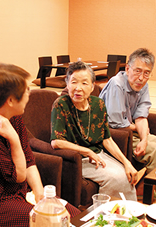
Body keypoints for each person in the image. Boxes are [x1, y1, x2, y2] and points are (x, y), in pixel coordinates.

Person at [0, 63, 80, 227]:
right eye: (26, 90)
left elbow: (28, 158)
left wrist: (40, 193)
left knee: (74, 216)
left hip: (21, 194)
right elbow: (19, 175)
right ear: (11, 100)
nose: (29, 93)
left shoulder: (13, 117)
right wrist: (14, 139)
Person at [51, 61, 137, 201]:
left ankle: (126, 216)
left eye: (84, 83)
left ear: (92, 87)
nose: (78, 88)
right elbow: (56, 142)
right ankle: (101, 215)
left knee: (126, 175)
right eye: (74, 82)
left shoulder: (98, 104)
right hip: (78, 160)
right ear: (67, 84)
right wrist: (87, 151)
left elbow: (107, 139)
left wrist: (127, 162)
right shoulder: (61, 104)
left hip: (98, 156)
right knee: (116, 178)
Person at [99, 48, 156, 202]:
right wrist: (138, 129)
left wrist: (144, 140)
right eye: (137, 71)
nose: (141, 77)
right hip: (116, 134)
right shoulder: (116, 84)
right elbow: (116, 123)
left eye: (146, 73)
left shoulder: (142, 85)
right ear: (127, 69)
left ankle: (148, 189)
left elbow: (141, 117)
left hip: (129, 129)